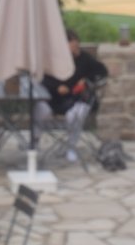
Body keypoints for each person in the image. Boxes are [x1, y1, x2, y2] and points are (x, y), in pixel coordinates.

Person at [37, 30, 109, 162]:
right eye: (72, 46)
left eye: (77, 45)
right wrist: (57, 87)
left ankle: (71, 147)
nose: (75, 49)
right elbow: (42, 78)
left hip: (77, 99)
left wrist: (86, 80)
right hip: (55, 99)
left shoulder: (86, 59)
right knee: (40, 108)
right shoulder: (54, 61)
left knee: (75, 115)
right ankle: (34, 142)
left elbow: (102, 72)